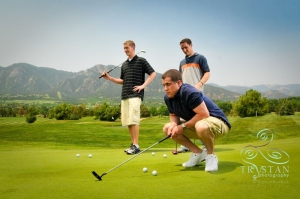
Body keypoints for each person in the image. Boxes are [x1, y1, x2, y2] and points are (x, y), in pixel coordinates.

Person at [162, 69, 231, 172]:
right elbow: (173, 115)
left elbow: (204, 114)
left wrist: (183, 126)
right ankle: (198, 152)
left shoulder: (189, 92)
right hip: (200, 124)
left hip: (219, 123)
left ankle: (211, 155)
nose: (165, 88)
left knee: (201, 126)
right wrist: (173, 124)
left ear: (179, 83)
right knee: (167, 128)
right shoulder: (168, 97)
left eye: (168, 84)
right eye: (164, 85)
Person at [101, 40, 156, 155]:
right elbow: (123, 81)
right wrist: (109, 78)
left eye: (127, 48)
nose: (125, 50)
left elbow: (153, 73)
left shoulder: (141, 61)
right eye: (124, 48)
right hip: (125, 94)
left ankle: (136, 145)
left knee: (134, 119)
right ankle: (133, 144)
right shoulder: (125, 64)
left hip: (135, 94)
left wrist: (143, 86)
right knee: (128, 121)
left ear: (133, 47)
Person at [176, 38, 211, 153]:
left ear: (191, 45)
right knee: (185, 120)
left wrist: (199, 84)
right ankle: (186, 146)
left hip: (197, 94)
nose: (184, 50)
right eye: (182, 49)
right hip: (185, 96)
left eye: (186, 47)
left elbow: (207, 73)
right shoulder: (182, 62)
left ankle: (205, 145)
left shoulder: (200, 58)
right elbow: (179, 79)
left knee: (199, 121)